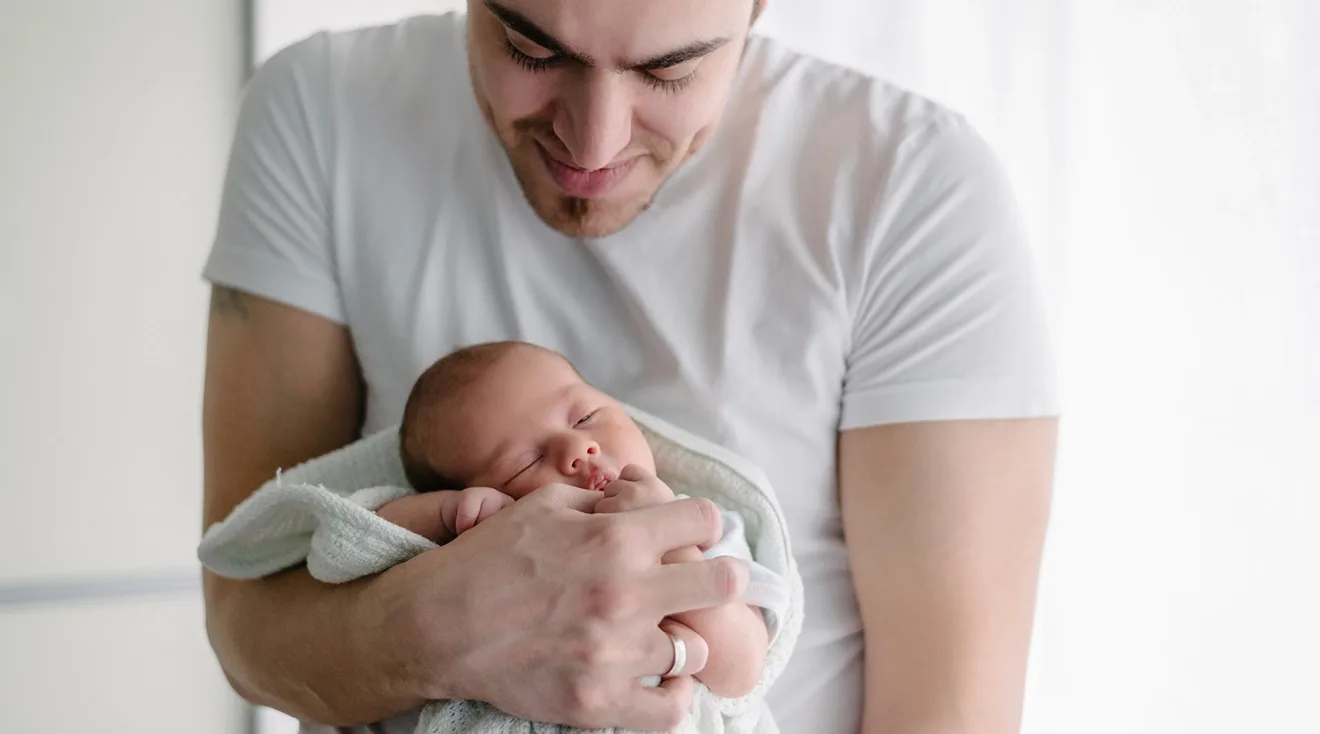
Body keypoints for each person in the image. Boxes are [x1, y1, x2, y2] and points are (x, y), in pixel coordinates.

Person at [200, 1, 1059, 733]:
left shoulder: (913, 189)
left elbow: (947, 713)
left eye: (668, 71)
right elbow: (247, 607)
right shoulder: (322, 112)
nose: (593, 141)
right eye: (532, 49)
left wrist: (683, 643)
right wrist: (451, 623)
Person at [376, 340, 786, 700]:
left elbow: (743, 668)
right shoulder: (486, 543)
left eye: (585, 418)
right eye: (524, 464)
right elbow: (371, 536)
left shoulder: (702, 525)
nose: (577, 447)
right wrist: (452, 514)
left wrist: (673, 543)